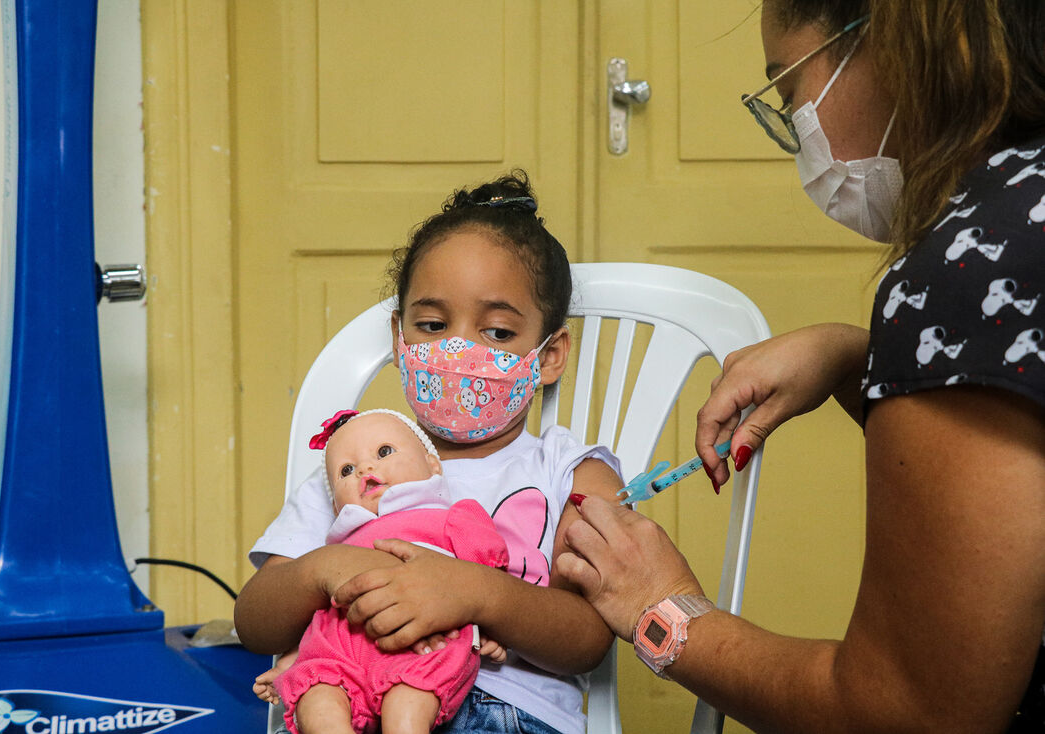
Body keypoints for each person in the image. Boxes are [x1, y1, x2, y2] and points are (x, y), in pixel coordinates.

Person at [557, 2, 1045, 732]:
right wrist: (861, 359)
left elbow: (909, 715)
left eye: (788, 91)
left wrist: (661, 607)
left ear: (889, 41)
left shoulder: (971, 273)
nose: (799, 134)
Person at [234, 171, 625, 734]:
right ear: (400, 338)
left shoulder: (568, 472)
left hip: (506, 710)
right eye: (434, 325)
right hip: (353, 705)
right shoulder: (356, 469)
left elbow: (589, 638)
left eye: (496, 333)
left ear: (549, 355)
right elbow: (254, 624)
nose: (458, 348)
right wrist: (323, 569)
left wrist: (476, 593)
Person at [253, 408, 510, 734]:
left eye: (384, 452)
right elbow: (318, 614)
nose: (365, 468)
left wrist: (490, 631)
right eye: (346, 471)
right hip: (340, 652)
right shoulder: (334, 546)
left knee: (406, 709)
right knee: (317, 705)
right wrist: (293, 661)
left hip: (421, 646)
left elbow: (488, 579)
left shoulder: (451, 519)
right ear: (336, 506)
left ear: (433, 466)